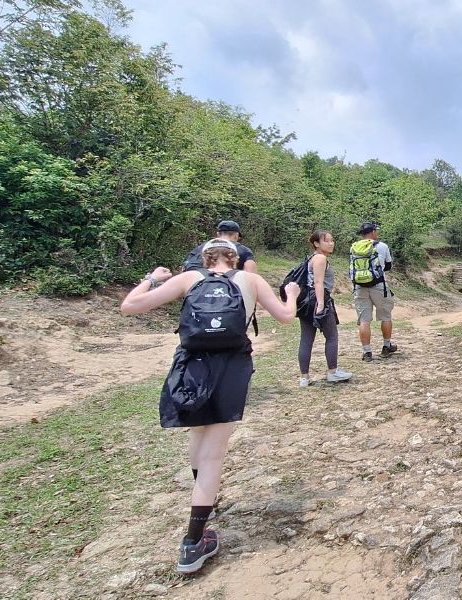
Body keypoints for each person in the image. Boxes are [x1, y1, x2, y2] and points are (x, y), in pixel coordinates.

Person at [120, 239, 299, 574]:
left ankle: (206, 504)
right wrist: (293, 293)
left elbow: (129, 306)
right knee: (213, 452)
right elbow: (287, 317)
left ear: (204, 258)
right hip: (231, 366)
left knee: (198, 438)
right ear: (235, 258)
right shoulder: (250, 280)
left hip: (192, 366)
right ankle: (193, 542)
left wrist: (153, 277)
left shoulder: (189, 278)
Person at [298, 230, 353, 387]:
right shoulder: (320, 258)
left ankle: (304, 377)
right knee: (332, 336)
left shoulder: (310, 258)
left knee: (306, 339)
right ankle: (332, 372)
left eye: (332, 240)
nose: (331, 243)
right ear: (316, 243)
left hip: (305, 302)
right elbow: (318, 283)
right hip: (318, 300)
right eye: (327, 241)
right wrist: (321, 304)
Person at [350, 221, 396, 361]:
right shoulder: (382, 246)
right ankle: (386, 346)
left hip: (359, 286)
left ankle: (367, 352)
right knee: (385, 316)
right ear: (373, 232)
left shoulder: (354, 247)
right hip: (378, 286)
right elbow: (388, 266)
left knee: (364, 320)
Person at [181, 220, 257, 273]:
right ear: (236, 235)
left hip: (196, 289)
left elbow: (185, 267)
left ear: (217, 234)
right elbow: (250, 275)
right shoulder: (245, 250)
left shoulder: (200, 248)